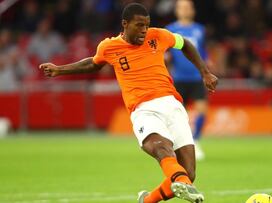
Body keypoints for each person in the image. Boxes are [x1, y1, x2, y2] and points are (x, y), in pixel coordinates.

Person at [39, 3, 218, 203]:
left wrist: (205, 72)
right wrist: (59, 70)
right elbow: (93, 63)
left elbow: (185, 44)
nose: (144, 30)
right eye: (139, 25)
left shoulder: (158, 35)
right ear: (125, 24)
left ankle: (150, 199)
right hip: (143, 109)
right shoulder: (109, 47)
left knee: (188, 173)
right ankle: (183, 183)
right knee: (162, 149)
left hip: (172, 104)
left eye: (146, 25)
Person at [166, 0, 209, 160]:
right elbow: (166, 55)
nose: (184, 10)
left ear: (192, 10)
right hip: (178, 78)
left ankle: (195, 140)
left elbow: (203, 52)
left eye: (187, 7)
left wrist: (206, 69)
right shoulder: (170, 30)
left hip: (196, 77)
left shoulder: (200, 30)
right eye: (181, 7)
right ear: (177, 10)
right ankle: (181, 145)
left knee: (202, 110)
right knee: (178, 115)